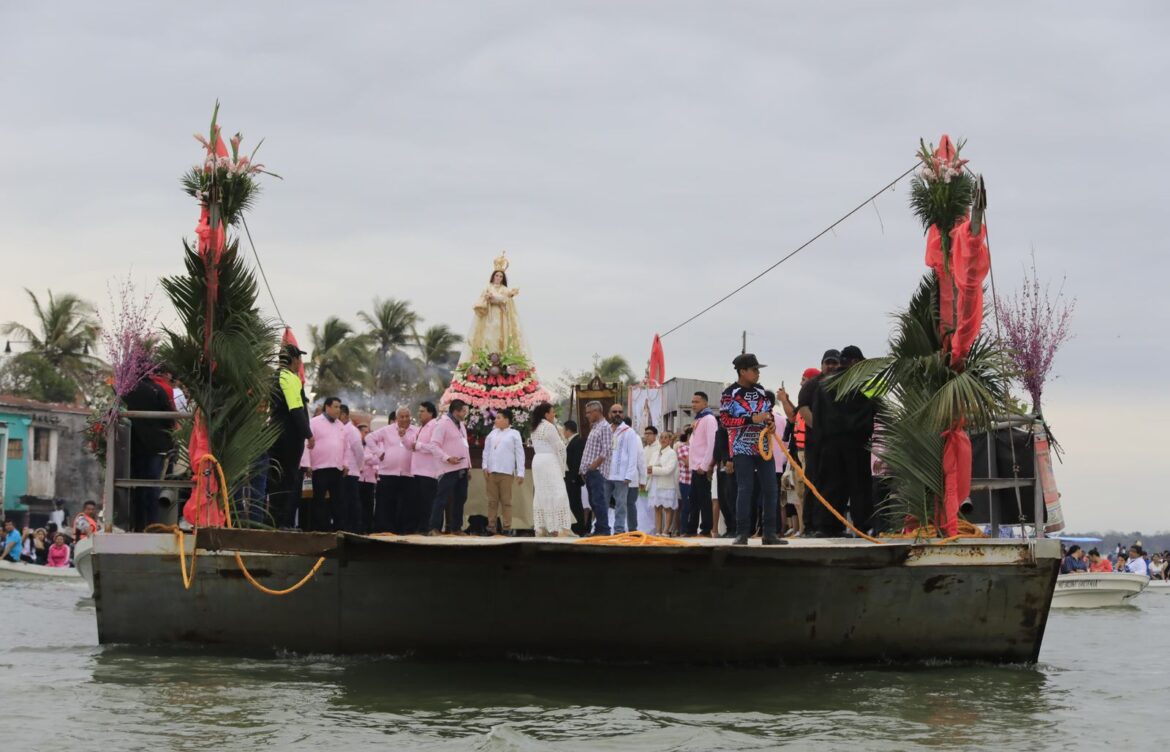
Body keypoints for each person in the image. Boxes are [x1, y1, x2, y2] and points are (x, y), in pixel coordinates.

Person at [806, 346, 876, 537]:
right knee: (859, 485)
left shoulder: (824, 383)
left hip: (829, 443)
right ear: (854, 361)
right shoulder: (864, 382)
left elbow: (817, 415)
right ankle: (863, 526)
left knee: (830, 484)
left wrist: (819, 442)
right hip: (857, 441)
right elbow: (877, 404)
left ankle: (827, 527)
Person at [720, 353, 784, 546]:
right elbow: (724, 421)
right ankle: (741, 534)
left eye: (758, 370)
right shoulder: (729, 393)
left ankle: (770, 533)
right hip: (742, 447)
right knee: (745, 489)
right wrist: (750, 419)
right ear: (743, 371)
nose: (757, 373)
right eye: (754, 370)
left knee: (771, 489)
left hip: (764, 447)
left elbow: (768, 413)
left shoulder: (762, 392)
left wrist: (771, 423)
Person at [123, 370, 175, 532]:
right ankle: (152, 525)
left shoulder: (125, 389)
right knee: (153, 487)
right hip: (156, 446)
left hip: (134, 445)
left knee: (137, 488)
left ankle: (137, 525)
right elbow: (170, 419)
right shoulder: (156, 389)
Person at [267, 344, 312, 529]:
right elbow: (296, 409)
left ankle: (275, 521)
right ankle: (280, 522)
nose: (300, 363)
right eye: (299, 359)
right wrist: (308, 434)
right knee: (287, 479)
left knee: (277, 479)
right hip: (289, 436)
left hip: (276, 433)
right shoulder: (289, 378)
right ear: (293, 360)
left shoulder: (274, 377)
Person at [796, 350, 841, 534]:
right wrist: (821, 427)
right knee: (813, 483)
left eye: (834, 363)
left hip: (836, 444)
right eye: (827, 363)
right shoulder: (812, 385)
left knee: (835, 484)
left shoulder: (843, 383)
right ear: (822, 364)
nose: (831, 366)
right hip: (815, 443)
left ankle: (832, 525)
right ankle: (810, 525)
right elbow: (803, 408)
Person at [777, 367, 819, 533]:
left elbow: (793, 417)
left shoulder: (815, 401)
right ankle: (802, 528)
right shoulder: (806, 402)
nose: (801, 383)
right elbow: (794, 417)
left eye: (803, 379)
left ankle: (806, 527)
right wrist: (785, 400)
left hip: (807, 452)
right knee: (798, 494)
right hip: (798, 453)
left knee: (806, 492)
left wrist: (784, 401)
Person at [423, 399, 472, 535]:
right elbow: (434, 445)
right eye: (463, 411)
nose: (465, 413)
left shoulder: (461, 424)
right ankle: (434, 527)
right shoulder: (443, 424)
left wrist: (468, 466)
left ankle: (456, 528)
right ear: (456, 411)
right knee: (442, 498)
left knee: (461, 497)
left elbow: (465, 445)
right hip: (448, 468)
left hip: (462, 467)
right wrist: (447, 458)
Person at [369, 407, 418, 533]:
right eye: (402, 417)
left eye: (407, 416)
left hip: (408, 474)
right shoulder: (387, 430)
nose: (405, 419)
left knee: (407, 504)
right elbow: (369, 438)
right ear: (396, 419)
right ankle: (385, 529)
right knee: (386, 504)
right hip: (388, 473)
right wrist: (379, 452)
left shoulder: (416, 431)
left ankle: (405, 530)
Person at [529, 402, 575, 536]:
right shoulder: (549, 427)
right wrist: (562, 468)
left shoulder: (535, 427)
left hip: (537, 461)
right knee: (558, 492)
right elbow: (560, 448)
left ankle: (541, 527)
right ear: (546, 414)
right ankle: (562, 528)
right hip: (549, 461)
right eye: (552, 412)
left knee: (541, 493)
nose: (554, 414)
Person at [468, 255, 526, 356]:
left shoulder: (505, 289)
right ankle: (487, 355)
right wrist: (488, 298)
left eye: (500, 276)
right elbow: (481, 301)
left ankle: (499, 356)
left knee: (500, 336)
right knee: (488, 335)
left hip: (501, 316)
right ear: (493, 276)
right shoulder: (487, 287)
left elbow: (506, 300)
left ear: (503, 278)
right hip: (488, 316)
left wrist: (497, 298)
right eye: (497, 275)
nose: (498, 278)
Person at [482, 408, 526, 535]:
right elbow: (486, 451)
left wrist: (521, 472)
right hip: (491, 472)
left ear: (507, 420)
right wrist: (485, 466)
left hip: (506, 472)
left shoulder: (514, 433)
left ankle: (507, 527)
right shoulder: (492, 434)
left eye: (499, 417)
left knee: (506, 501)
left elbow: (520, 454)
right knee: (492, 501)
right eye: (496, 418)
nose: (495, 420)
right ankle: (491, 527)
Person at [306, 397, 347, 532]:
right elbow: (306, 444)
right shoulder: (315, 422)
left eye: (339, 407)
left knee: (338, 500)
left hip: (337, 468)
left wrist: (345, 464)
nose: (338, 410)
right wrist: (307, 464)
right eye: (335, 407)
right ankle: (320, 529)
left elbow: (345, 447)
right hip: (320, 468)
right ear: (327, 407)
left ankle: (338, 529)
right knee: (319, 500)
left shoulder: (341, 425)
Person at [579, 401, 613, 536]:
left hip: (596, 471)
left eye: (588, 413)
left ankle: (604, 530)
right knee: (593, 502)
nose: (587, 416)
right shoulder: (595, 427)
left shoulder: (604, 427)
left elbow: (607, 450)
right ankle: (599, 529)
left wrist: (594, 466)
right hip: (589, 471)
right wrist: (583, 469)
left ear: (596, 411)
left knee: (598, 501)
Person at [606, 404, 641, 534]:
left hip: (621, 476)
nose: (617, 414)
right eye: (614, 411)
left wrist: (629, 475)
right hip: (606, 474)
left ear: (623, 414)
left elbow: (633, 455)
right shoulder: (606, 430)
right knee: (603, 504)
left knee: (621, 504)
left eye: (620, 412)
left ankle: (619, 530)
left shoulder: (629, 431)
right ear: (609, 414)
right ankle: (603, 528)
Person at [687, 391, 718, 537]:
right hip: (695, 466)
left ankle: (706, 530)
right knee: (693, 500)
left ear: (705, 403)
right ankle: (691, 529)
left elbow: (712, 444)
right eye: (692, 402)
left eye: (696, 402)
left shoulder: (709, 419)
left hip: (702, 467)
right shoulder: (699, 419)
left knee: (704, 500)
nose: (693, 404)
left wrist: (705, 466)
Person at [409, 402, 441, 534]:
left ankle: (428, 527)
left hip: (429, 471)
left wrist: (419, 446)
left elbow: (435, 447)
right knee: (419, 502)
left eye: (422, 411)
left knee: (428, 502)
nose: (419, 413)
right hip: (417, 470)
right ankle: (420, 527)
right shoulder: (421, 427)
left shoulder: (435, 426)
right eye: (419, 411)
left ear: (431, 413)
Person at [338, 405, 365, 533]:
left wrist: (358, 467)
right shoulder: (339, 428)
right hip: (341, 471)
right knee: (343, 501)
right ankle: (345, 526)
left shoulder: (352, 431)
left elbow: (359, 452)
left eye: (339, 414)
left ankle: (355, 528)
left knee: (352, 501)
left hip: (351, 471)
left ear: (344, 415)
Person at [647, 430, 679, 536]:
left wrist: (655, 469)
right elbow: (649, 467)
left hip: (667, 484)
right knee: (657, 508)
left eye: (666, 438)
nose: (663, 440)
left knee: (667, 508)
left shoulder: (672, 453)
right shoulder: (655, 452)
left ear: (670, 440)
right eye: (661, 437)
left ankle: (666, 531)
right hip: (655, 483)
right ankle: (658, 531)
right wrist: (656, 468)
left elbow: (668, 470)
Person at [563, 420, 587, 535]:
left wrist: (573, 477)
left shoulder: (577, 441)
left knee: (575, 503)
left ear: (568, 430)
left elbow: (577, 461)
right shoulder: (570, 441)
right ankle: (574, 527)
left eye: (564, 430)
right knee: (572, 502)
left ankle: (579, 528)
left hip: (574, 478)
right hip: (569, 477)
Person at [357, 422, 379, 534]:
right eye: (365, 432)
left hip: (370, 479)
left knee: (369, 505)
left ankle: (368, 528)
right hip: (359, 479)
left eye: (369, 432)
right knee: (358, 504)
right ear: (359, 433)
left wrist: (366, 458)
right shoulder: (356, 444)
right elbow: (358, 457)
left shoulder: (372, 445)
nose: (368, 435)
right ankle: (359, 528)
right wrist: (368, 458)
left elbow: (377, 459)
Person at [674, 428, 691, 536]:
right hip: (686, 481)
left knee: (696, 508)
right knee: (686, 506)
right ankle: (683, 530)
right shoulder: (682, 448)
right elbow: (689, 463)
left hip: (698, 481)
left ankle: (693, 530)